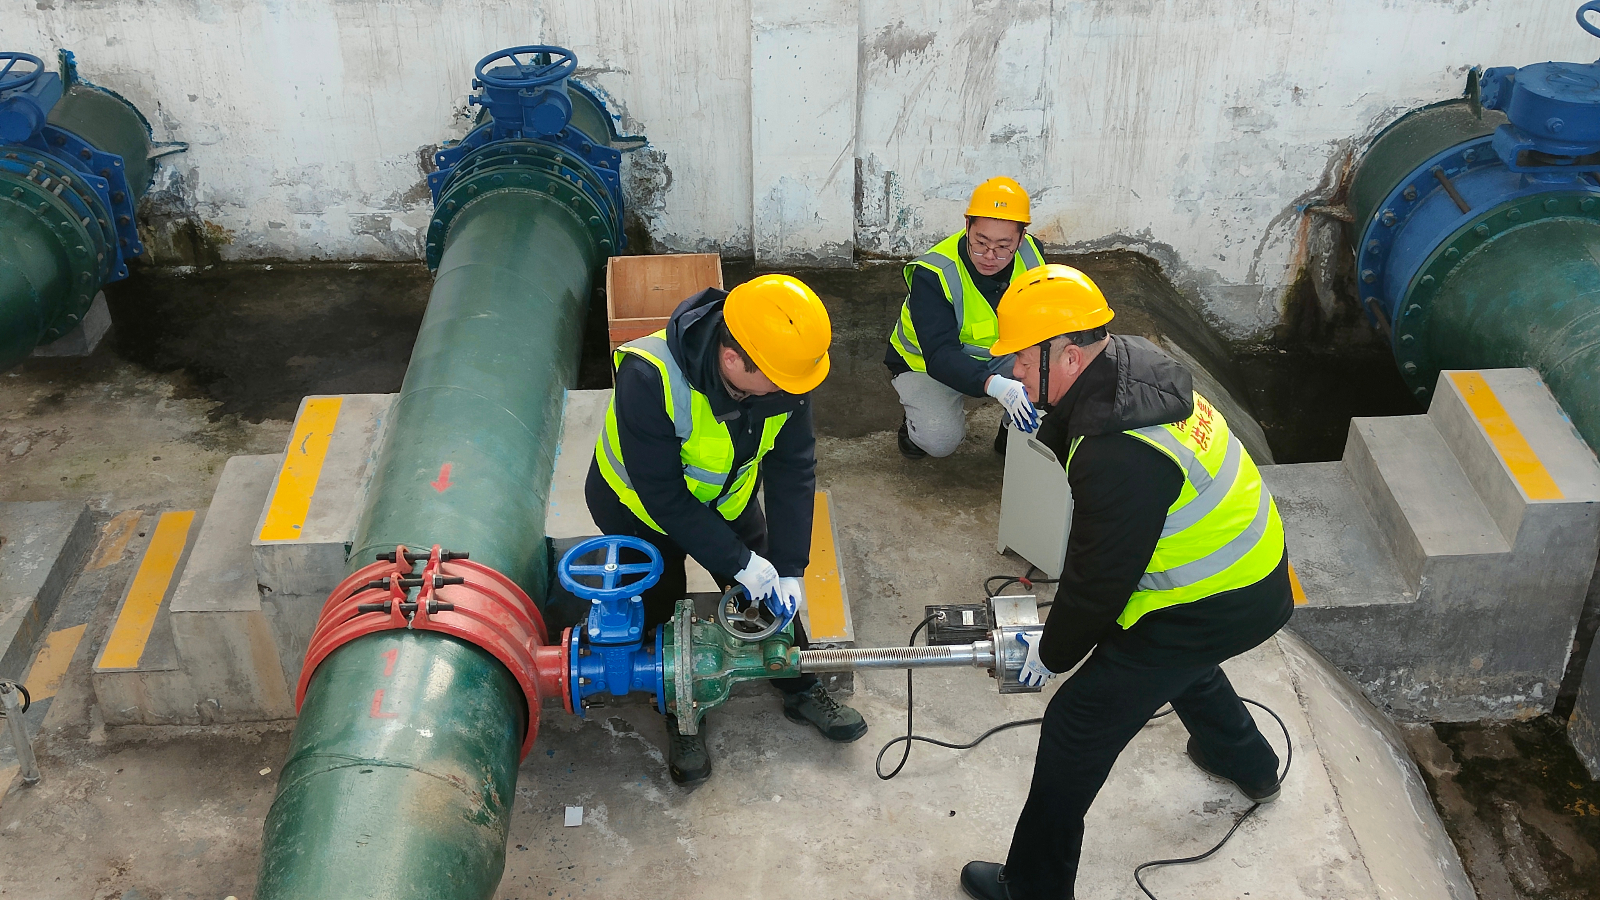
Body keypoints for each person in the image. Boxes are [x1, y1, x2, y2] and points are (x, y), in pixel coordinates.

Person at [959, 264, 1294, 900]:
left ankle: (1031, 888)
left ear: (1068, 354)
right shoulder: (1134, 364)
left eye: (1023, 361)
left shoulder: (1120, 454)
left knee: (1074, 726)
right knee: (1179, 666)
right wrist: (1049, 425)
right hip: (1252, 575)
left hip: (1214, 603)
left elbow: (1097, 584)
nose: (1014, 374)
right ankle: (1249, 765)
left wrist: (1052, 654)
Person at [586, 273, 868, 786]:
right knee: (661, 608)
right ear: (733, 358)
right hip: (638, 508)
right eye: (780, 382)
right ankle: (680, 709)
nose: (791, 392)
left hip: (726, 499)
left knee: (773, 602)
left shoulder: (785, 373)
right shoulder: (649, 375)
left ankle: (800, 688)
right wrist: (739, 562)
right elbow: (663, 495)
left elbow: (793, 469)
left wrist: (788, 566)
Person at [885, 176, 1049, 459]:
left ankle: (1011, 432)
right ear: (967, 227)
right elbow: (939, 354)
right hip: (925, 364)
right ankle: (915, 423)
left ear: (1021, 238)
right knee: (939, 440)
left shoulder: (1032, 255)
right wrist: (994, 384)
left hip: (1002, 354)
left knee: (1052, 386)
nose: (989, 256)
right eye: (980, 242)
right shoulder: (933, 274)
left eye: (1003, 246)